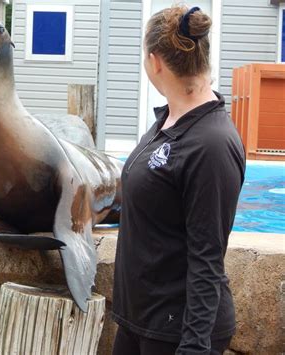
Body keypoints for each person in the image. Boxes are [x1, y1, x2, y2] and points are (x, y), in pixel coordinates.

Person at [112, 5, 246, 355]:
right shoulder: (168, 121)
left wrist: (195, 346)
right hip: (140, 320)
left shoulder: (211, 145)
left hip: (179, 332)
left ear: (155, 62)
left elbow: (207, 256)